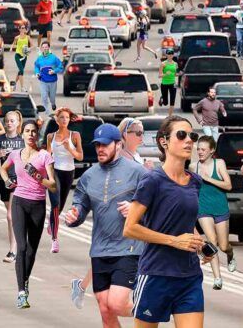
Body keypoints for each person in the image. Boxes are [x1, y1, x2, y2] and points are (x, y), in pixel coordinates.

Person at [123, 115, 209, 328]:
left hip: (188, 276)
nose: (189, 140)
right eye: (181, 135)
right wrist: (174, 241)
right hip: (156, 274)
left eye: (192, 136)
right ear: (164, 142)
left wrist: (202, 245)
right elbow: (130, 228)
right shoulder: (152, 181)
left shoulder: (195, 182)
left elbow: (185, 224)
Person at [65, 123, 146, 323]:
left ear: (118, 145)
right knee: (104, 306)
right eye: (97, 145)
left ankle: (151, 309)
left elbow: (156, 206)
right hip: (100, 250)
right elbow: (80, 207)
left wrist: (135, 210)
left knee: (116, 303)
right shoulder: (88, 177)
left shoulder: (138, 172)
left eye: (105, 145)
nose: (100, 149)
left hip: (129, 248)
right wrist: (74, 216)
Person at [1, 119, 56, 308]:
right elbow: (2, 168)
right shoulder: (15, 154)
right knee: (22, 247)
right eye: (27, 131)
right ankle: (21, 292)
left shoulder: (44, 156)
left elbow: (54, 185)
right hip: (19, 202)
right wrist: (7, 181)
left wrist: (38, 176)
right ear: (22, 133)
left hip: (38, 205)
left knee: (32, 250)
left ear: (37, 134)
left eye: (34, 131)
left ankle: (25, 281)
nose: (31, 134)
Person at [194, 135, 234, 289]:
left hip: (220, 208)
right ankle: (218, 278)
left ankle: (230, 255)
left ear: (212, 150)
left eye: (203, 149)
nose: (200, 152)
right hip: (203, 209)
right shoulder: (194, 166)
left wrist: (208, 179)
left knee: (223, 246)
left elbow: (228, 185)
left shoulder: (219, 163)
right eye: (198, 149)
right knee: (212, 243)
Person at [47, 108, 82, 254]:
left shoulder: (75, 135)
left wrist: (69, 148)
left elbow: (80, 156)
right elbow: (48, 155)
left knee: (60, 206)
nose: (64, 120)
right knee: (55, 204)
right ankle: (54, 240)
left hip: (68, 172)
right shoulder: (51, 136)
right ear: (57, 120)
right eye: (61, 117)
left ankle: (51, 224)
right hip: (54, 171)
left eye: (67, 117)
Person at [0, 109, 24, 264]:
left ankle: (13, 250)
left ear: (18, 123)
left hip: (17, 179)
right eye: (7, 120)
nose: (9, 123)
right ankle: (18, 244)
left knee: (10, 215)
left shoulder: (23, 141)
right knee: (11, 215)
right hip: (4, 179)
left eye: (12, 121)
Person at [33, 42, 64, 115]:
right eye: (43, 47)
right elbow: (36, 66)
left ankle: (53, 103)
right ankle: (47, 112)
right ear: (41, 48)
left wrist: (54, 71)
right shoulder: (39, 58)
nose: (45, 49)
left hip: (52, 81)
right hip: (43, 80)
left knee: (52, 97)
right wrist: (37, 73)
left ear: (49, 48)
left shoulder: (54, 58)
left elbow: (61, 67)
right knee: (44, 97)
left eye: (46, 47)